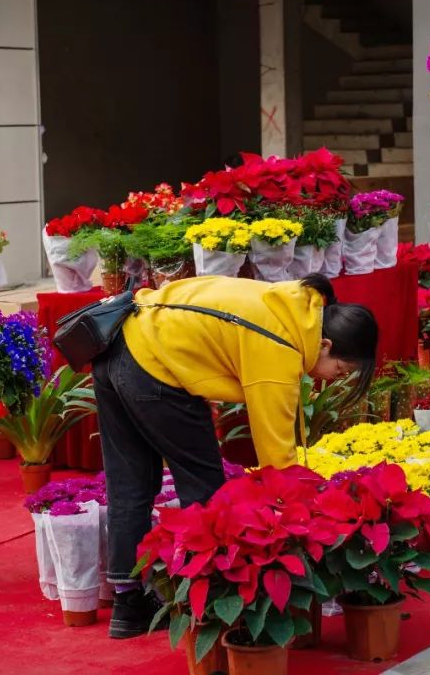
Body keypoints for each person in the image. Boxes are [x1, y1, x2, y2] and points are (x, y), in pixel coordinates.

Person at [95, 273, 378, 639]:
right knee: (206, 489)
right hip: (155, 367)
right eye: (340, 370)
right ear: (324, 344)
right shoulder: (283, 345)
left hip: (116, 344)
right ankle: (214, 605)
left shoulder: (288, 305)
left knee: (130, 483)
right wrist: (306, 518)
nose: (332, 379)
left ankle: (127, 604)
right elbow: (277, 458)